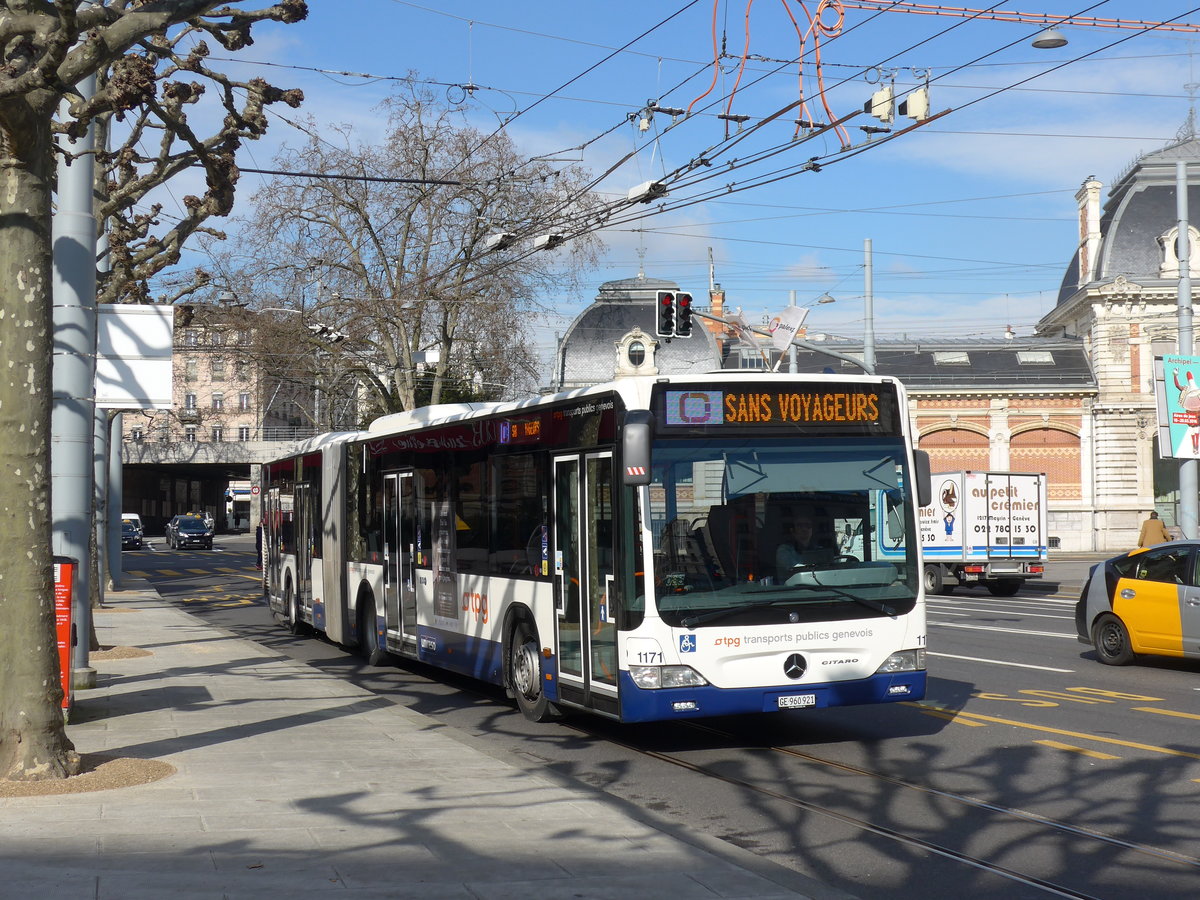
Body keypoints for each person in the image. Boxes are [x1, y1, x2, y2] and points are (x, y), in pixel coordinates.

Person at [776, 513, 828, 579]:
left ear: (812, 530)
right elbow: (797, 570)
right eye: (800, 525)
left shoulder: (819, 550)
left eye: (808, 525)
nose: (804, 529)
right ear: (792, 530)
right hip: (790, 588)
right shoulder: (784, 550)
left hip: (820, 587)